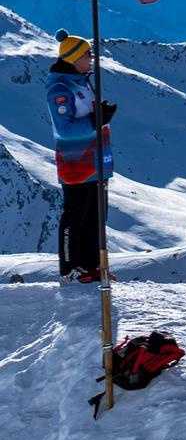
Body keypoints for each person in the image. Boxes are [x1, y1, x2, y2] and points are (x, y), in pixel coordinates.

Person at [45, 30, 114, 282]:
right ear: (74, 58)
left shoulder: (82, 81)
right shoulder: (60, 88)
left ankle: (92, 265)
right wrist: (96, 121)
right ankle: (71, 268)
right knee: (76, 215)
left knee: (95, 216)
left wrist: (100, 115)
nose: (92, 58)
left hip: (95, 161)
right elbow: (64, 128)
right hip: (76, 164)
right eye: (87, 54)